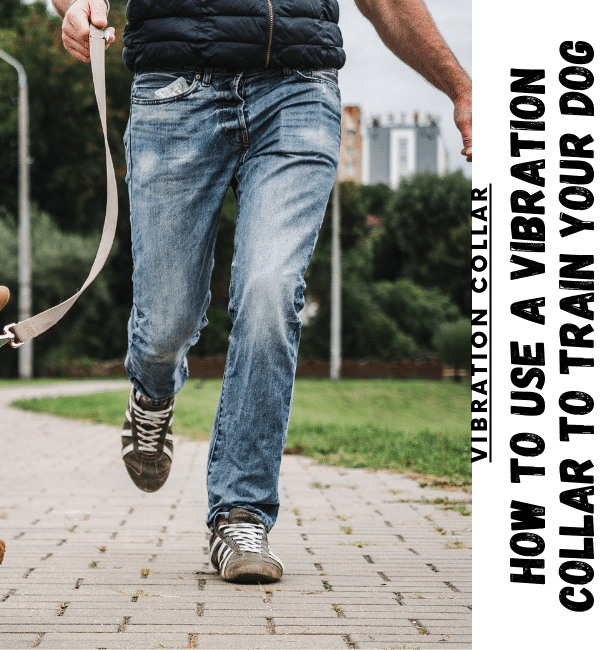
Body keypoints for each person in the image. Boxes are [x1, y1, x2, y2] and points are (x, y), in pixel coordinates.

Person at [52, 0, 472, 584]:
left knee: (270, 291)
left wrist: (461, 87)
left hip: (298, 93)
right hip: (176, 89)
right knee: (166, 322)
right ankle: (150, 396)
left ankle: (241, 510)